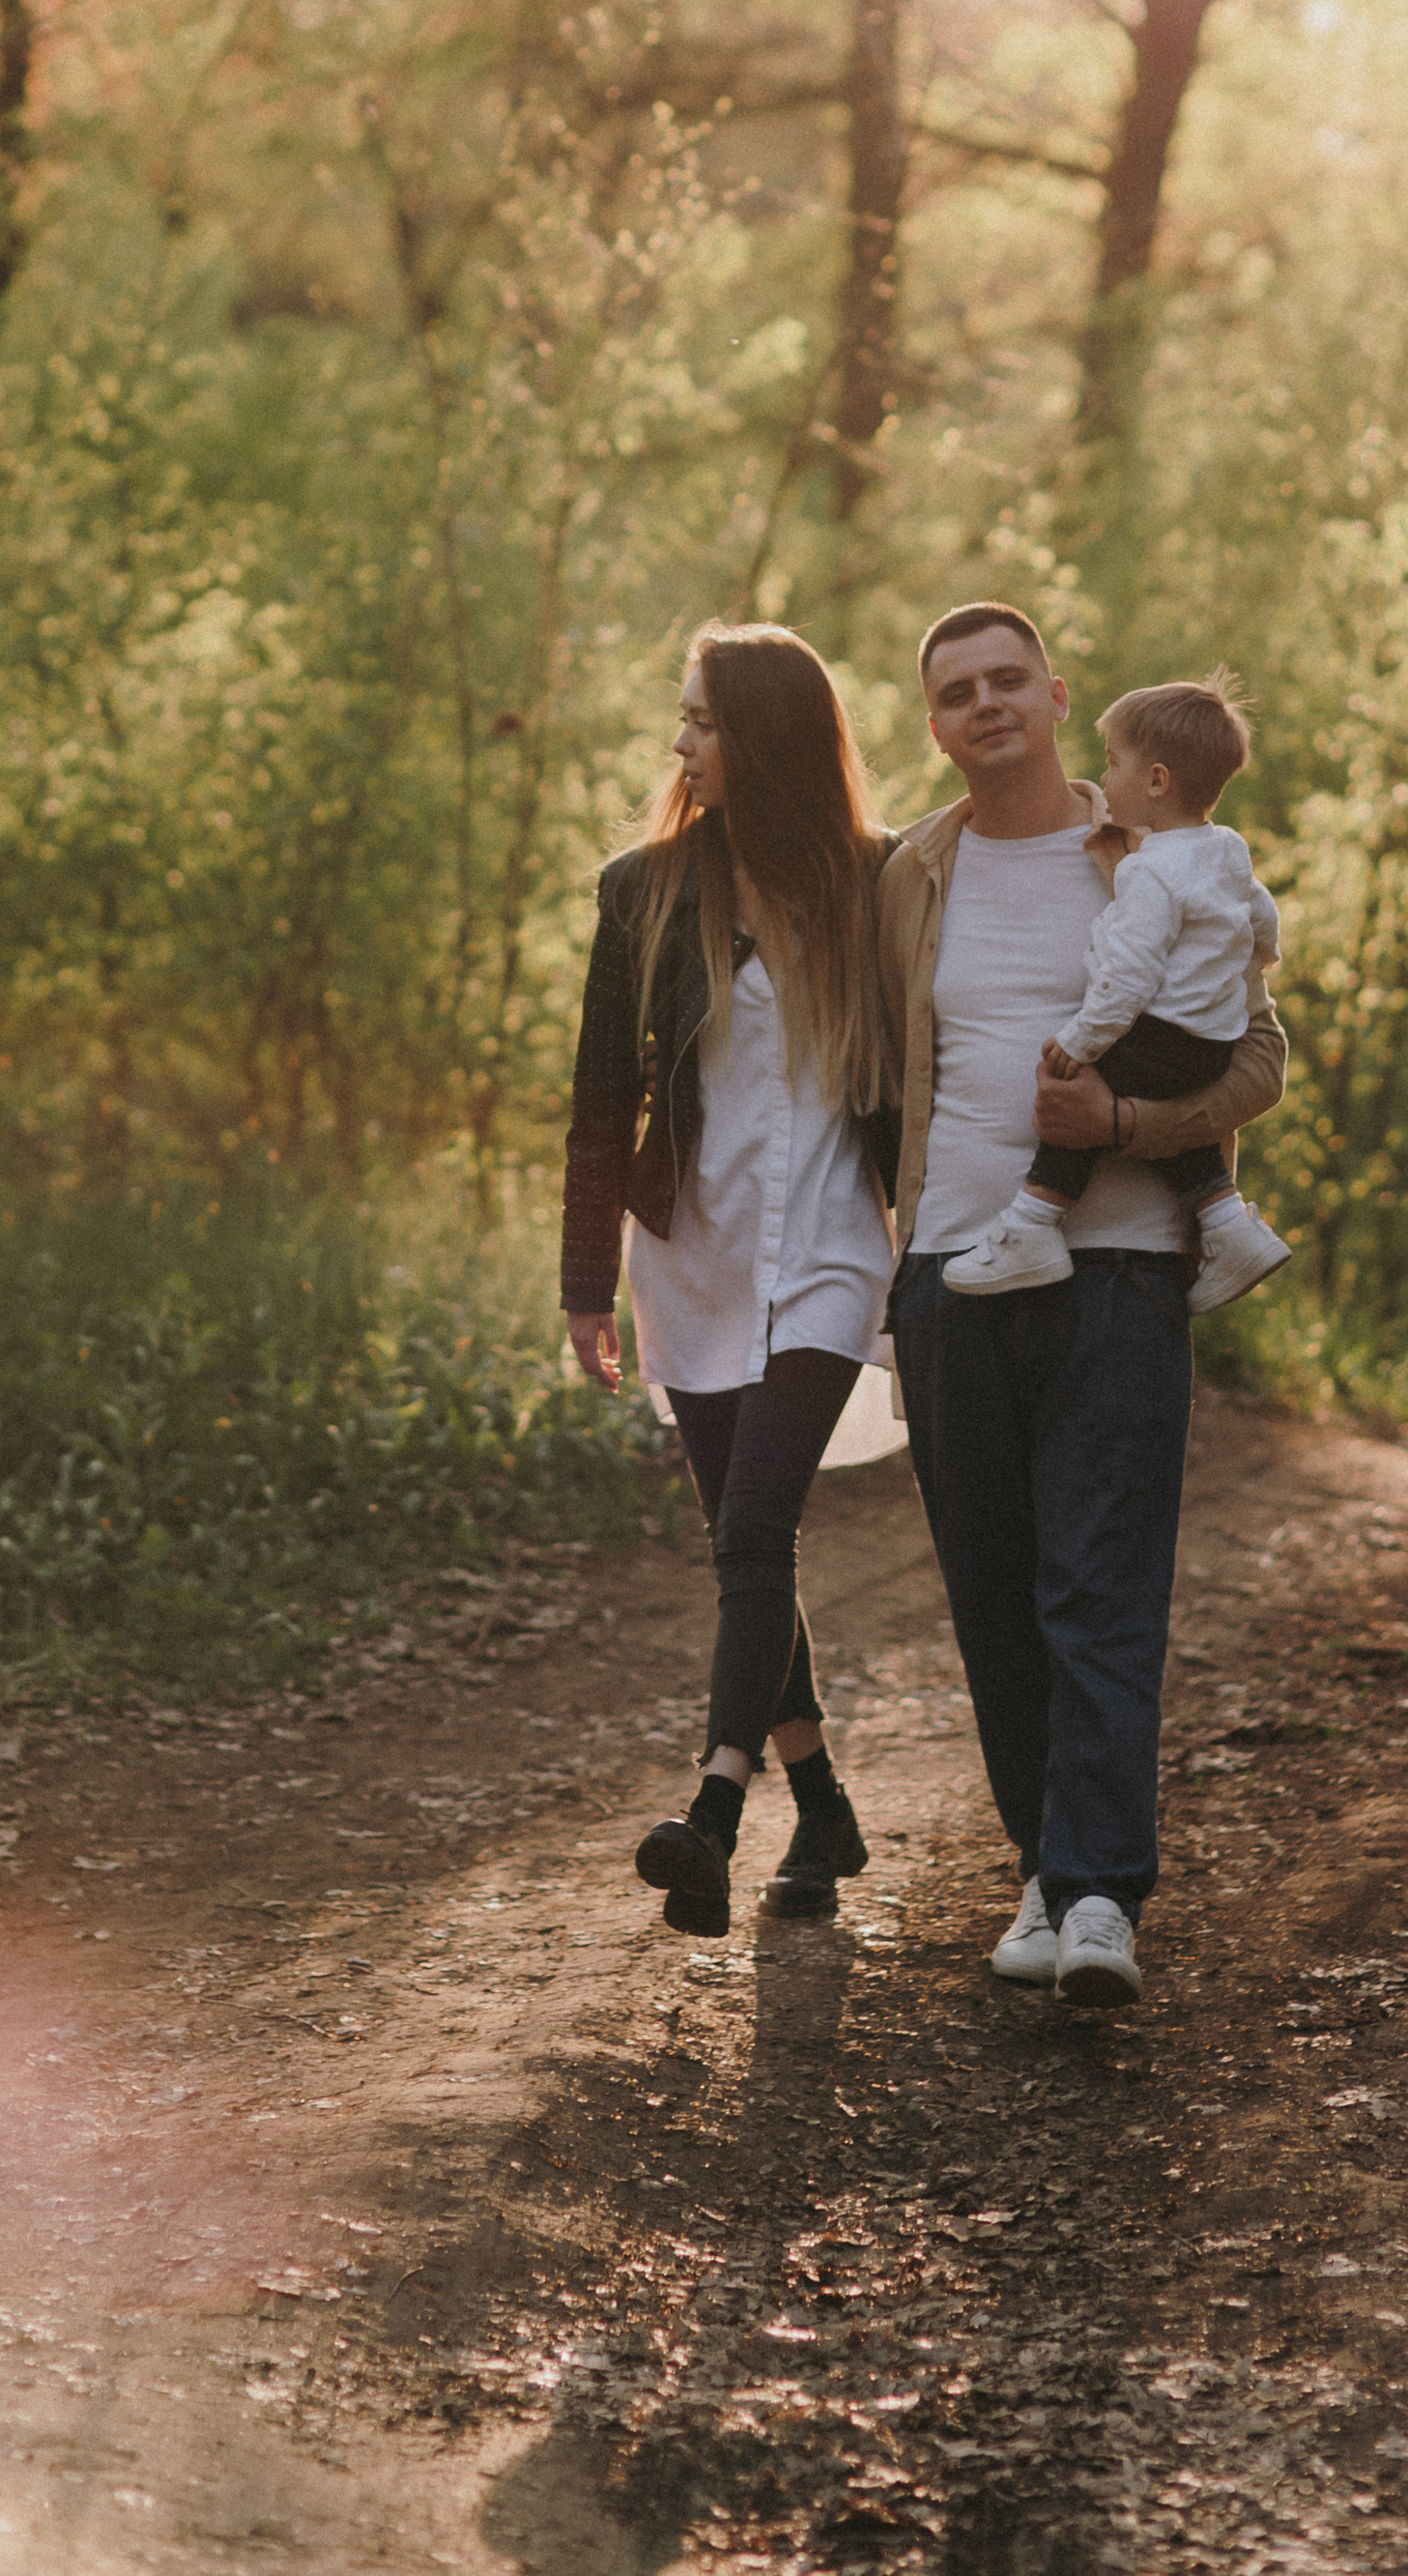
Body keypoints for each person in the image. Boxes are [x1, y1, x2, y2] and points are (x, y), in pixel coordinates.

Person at [880, 604, 1287, 2007]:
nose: (986, 704)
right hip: (949, 1265)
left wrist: (1121, 1118)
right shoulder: (909, 874)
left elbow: (1260, 1060)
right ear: (933, 723)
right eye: (956, 692)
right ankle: (1048, 1869)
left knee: (1098, 1586)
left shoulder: (1157, 849)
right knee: (993, 1590)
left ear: (1057, 697)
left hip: (1115, 1267)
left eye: (1009, 680)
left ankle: (1104, 1889)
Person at [560, 622, 900, 1940]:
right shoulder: (642, 887)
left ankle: (713, 1810)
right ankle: (820, 1803)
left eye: (700, 717)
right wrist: (589, 1281)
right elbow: (602, 1098)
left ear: (762, 733)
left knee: (757, 1527)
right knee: (743, 1542)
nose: (680, 741)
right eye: (679, 715)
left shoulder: (878, 884)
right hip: (691, 1252)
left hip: (828, 1245)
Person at [940, 673, 1292, 1313]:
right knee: (1145, 1108)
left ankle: (1033, 1221)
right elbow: (1260, 915)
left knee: (1074, 1092)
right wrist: (1260, 959)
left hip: (1161, 1034)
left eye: (1113, 765)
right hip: (1207, 1044)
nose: (1105, 779)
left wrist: (1079, 1040)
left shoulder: (1149, 870)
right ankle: (1228, 1226)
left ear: (1157, 781)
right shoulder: (1226, 848)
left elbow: (1128, 978)